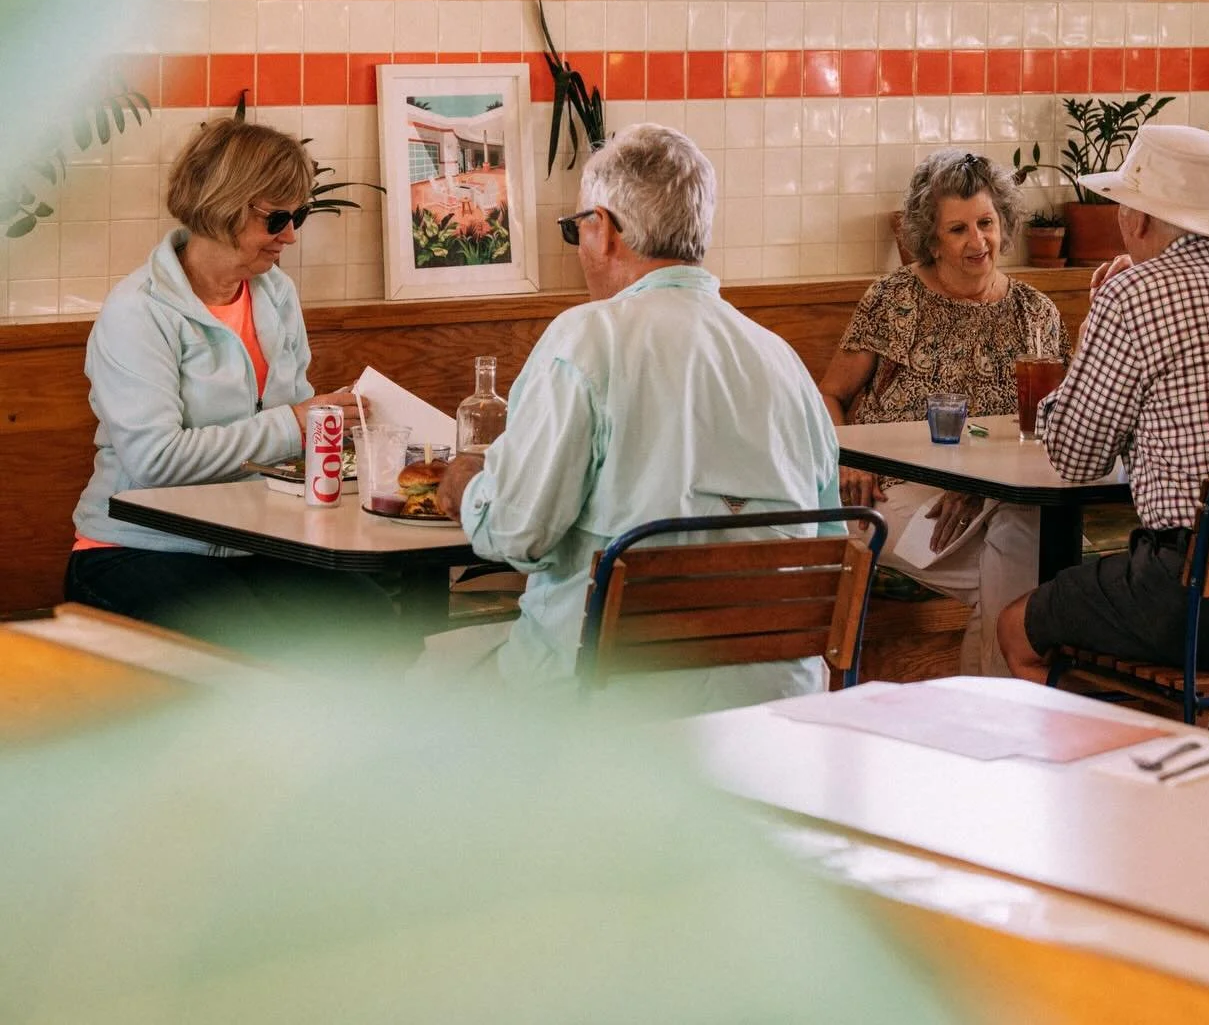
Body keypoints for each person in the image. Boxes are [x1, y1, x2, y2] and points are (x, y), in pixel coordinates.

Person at [435, 124, 841, 705]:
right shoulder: (785, 363)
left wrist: (471, 483)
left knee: (413, 675)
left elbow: (519, 531)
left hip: (605, 709)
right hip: (774, 715)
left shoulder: (588, 340)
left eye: (575, 229)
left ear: (602, 230)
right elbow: (826, 551)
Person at [995, 124, 1209, 683]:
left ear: (1137, 218)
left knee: (1018, 629)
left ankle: (1105, 766)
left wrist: (1091, 341)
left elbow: (1075, 459)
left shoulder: (1133, 293)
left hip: (1195, 595)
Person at [66, 118, 381, 650]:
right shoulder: (138, 311)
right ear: (221, 205)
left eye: (296, 214)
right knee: (260, 651)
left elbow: (294, 426)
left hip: (258, 543)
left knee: (377, 626)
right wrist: (296, 424)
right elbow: (154, 461)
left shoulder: (276, 294)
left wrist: (341, 432)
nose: (291, 235)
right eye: (277, 218)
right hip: (138, 549)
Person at [818, 150, 1069, 675]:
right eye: (958, 230)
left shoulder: (1036, 313)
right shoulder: (894, 300)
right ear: (931, 239)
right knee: (1018, 568)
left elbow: (1054, 424)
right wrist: (848, 458)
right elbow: (830, 394)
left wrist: (981, 486)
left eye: (987, 223)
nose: (978, 243)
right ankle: (1000, 725)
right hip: (892, 493)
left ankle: (984, 724)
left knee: (1017, 531)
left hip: (995, 499)